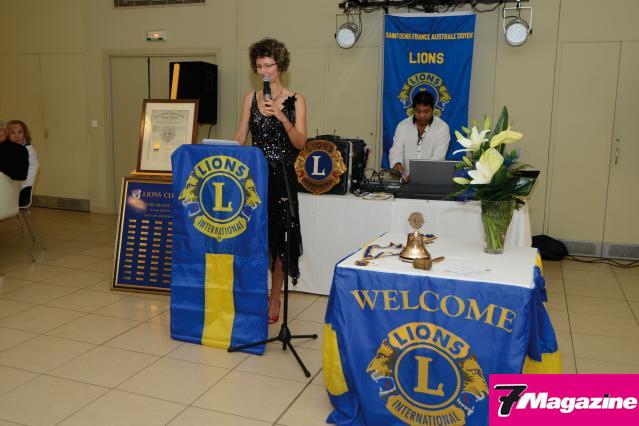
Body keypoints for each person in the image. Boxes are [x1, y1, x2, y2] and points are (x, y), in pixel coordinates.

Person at [232, 38, 307, 324]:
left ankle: (275, 297)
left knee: (279, 242)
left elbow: (300, 143)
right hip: (254, 178)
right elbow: (241, 136)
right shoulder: (250, 99)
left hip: (282, 178)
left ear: (281, 66)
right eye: (259, 66)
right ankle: (254, 292)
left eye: (269, 65)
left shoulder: (296, 100)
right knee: (255, 240)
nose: (263, 71)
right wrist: (223, 149)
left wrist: (281, 117)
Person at [388, 91, 450, 181]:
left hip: (431, 181)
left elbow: (438, 158)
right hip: (405, 182)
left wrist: (417, 174)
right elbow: (396, 149)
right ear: (413, 110)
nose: (422, 116)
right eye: (418, 111)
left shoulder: (442, 128)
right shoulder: (403, 126)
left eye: (426, 111)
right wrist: (397, 163)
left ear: (433, 110)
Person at [7, 120, 39, 206]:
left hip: (21, 192)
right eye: (13, 132)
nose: (17, 135)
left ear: (25, 134)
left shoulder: (28, 151)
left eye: (20, 132)